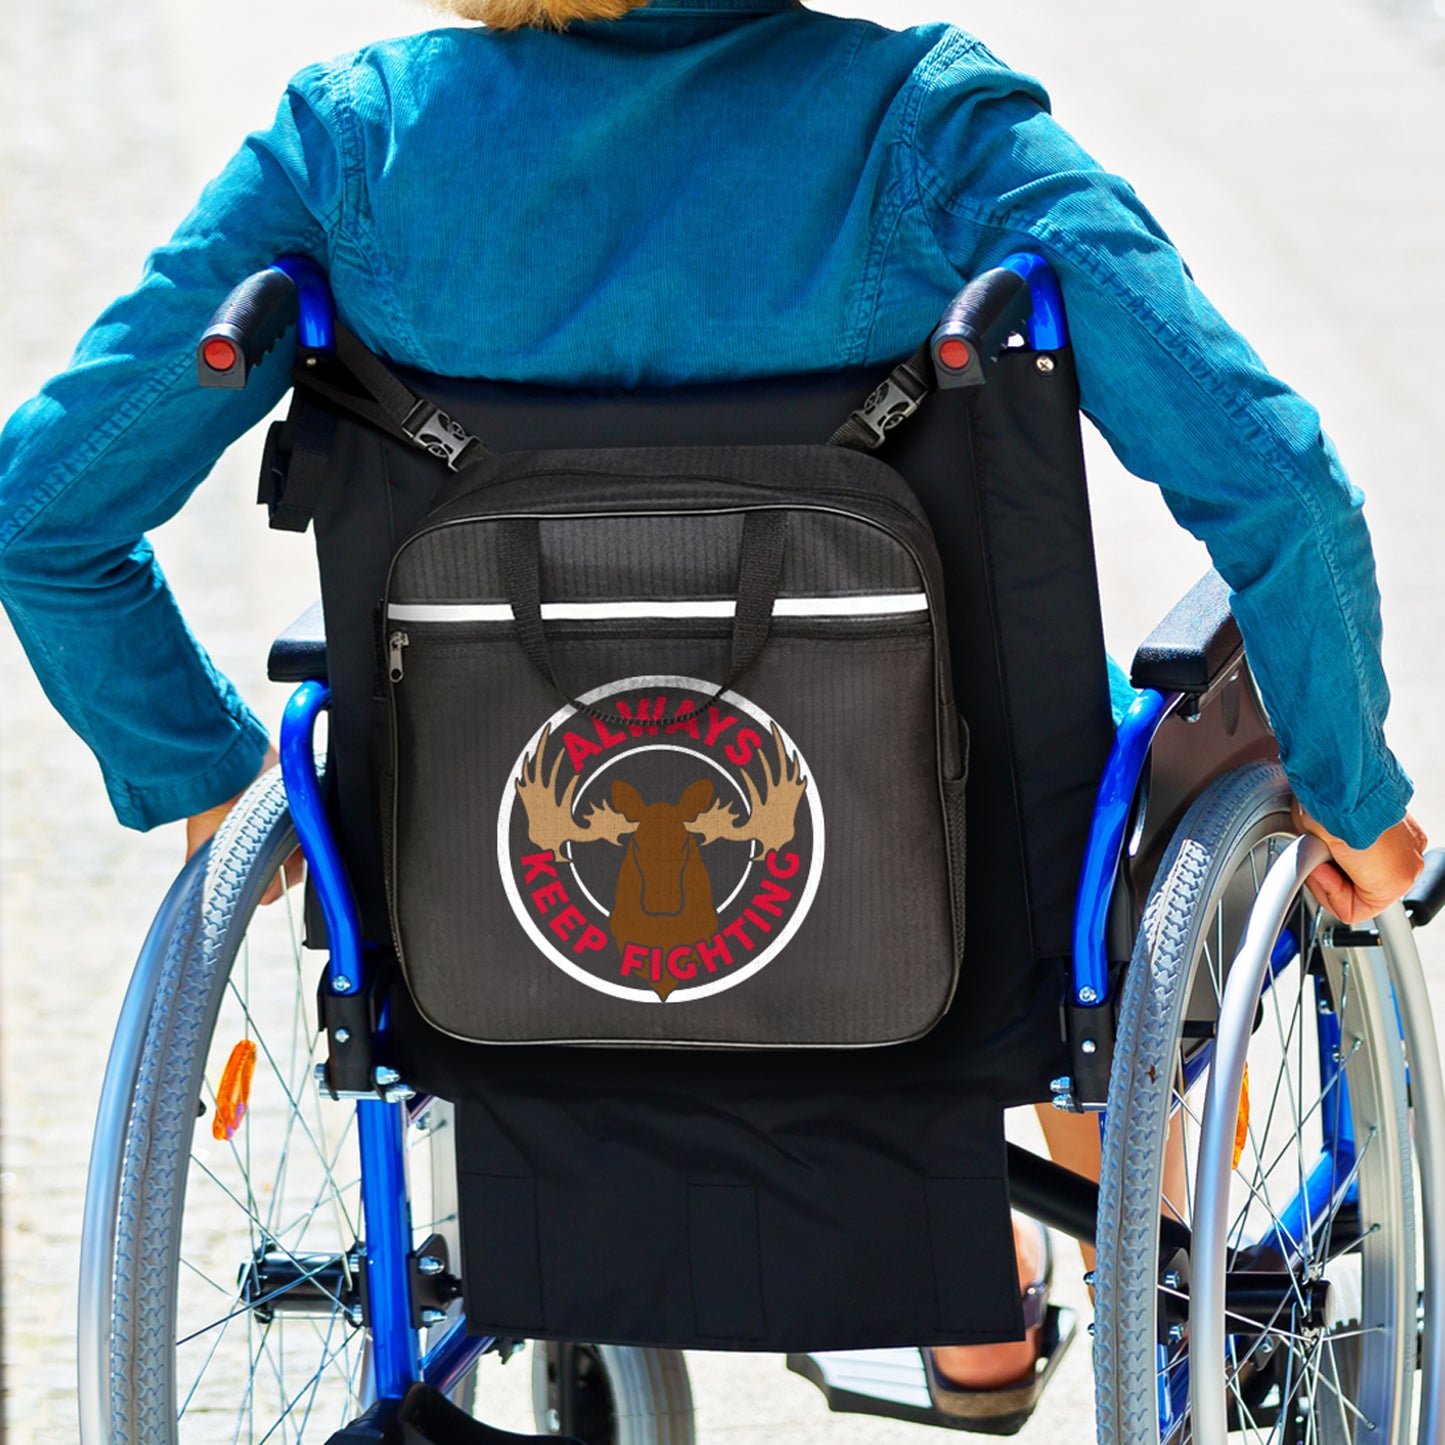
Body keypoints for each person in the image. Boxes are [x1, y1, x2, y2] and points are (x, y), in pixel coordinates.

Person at [0, 0, 1427, 1408]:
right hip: (935, 906)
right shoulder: (927, 128)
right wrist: (1354, 799)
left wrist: (203, 768)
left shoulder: (354, 145)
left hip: (488, 922)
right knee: (1093, 774)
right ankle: (1021, 1290)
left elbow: (42, 517)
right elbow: (1279, 486)